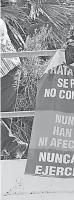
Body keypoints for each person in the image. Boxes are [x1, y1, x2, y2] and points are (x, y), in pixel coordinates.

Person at [1, 18, 28, 158]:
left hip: (7, 71)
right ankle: (14, 146)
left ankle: (13, 147)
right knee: (2, 121)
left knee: (4, 119)